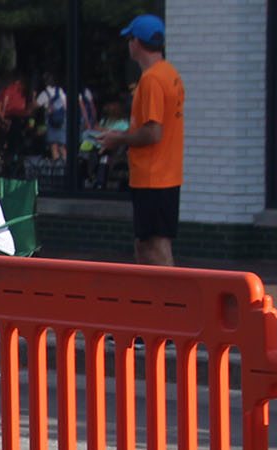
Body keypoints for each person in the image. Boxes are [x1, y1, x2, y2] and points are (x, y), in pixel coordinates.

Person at [98, 14, 183, 267]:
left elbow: (153, 132)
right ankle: (155, 301)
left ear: (137, 42)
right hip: (164, 174)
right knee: (146, 244)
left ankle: (167, 301)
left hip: (153, 176)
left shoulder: (151, 80)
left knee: (155, 246)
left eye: (130, 39)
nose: (128, 44)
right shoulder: (170, 74)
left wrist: (118, 139)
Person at [36, 73, 67, 160]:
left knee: (53, 144)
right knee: (61, 145)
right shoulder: (60, 90)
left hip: (51, 122)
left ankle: (57, 166)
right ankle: (67, 163)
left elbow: (36, 105)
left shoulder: (44, 94)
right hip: (62, 120)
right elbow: (65, 105)